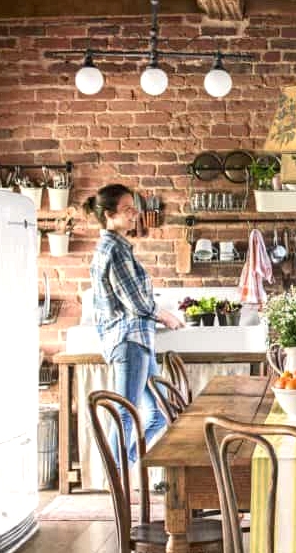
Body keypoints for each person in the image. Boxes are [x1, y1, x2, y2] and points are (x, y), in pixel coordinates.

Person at [83, 184, 183, 465]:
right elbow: (135, 302)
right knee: (125, 413)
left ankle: (124, 468)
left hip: (136, 341)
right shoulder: (114, 250)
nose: (135, 214)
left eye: (133, 207)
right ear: (108, 215)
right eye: (127, 209)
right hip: (129, 342)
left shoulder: (116, 247)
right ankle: (120, 482)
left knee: (160, 411)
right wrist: (163, 314)